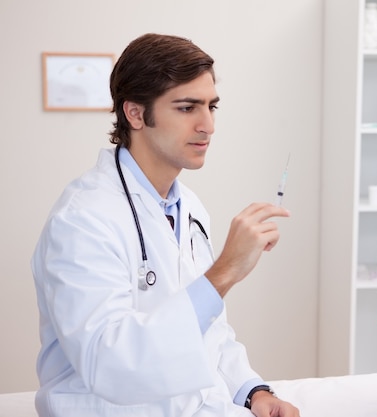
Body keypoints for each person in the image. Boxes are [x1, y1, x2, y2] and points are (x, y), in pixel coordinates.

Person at [31, 33, 300, 417]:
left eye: (212, 106)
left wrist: (252, 391)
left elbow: (208, 332)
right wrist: (224, 272)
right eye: (188, 107)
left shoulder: (187, 207)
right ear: (136, 114)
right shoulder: (82, 219)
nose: (208, 126)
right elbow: (110, 363)